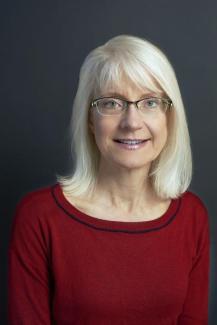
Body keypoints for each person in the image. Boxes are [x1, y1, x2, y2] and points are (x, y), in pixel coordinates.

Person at [7, 35, 210, 324]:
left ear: (170, 117)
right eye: (112, 103)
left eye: (150, 102)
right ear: (90, 119)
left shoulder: (192, 216)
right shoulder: (39, 218)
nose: (131, 122)